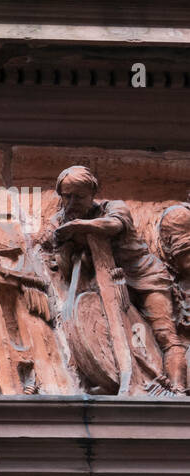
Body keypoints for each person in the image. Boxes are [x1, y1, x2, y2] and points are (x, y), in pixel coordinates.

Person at [55, 165, 186, 394]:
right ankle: (129, 377)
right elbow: (65, 264)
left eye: (79, 196)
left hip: (146, 276)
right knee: (123, 330)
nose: (72, 202)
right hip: (113, 281)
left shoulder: (113, 208)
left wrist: (79, 226)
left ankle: (178, 388)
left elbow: (113, 226)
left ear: (92, 194)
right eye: (67, 196)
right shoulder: (64, 219)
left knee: (165, 334)